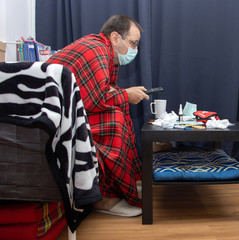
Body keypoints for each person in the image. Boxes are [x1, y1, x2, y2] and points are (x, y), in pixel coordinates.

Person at [47, 15, 149, 217]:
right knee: (115, 121)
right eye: (133, 43)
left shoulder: (103, 51)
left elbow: (101, 92)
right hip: (55, 116)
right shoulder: (96, 50)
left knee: (119, 112)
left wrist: (124, 94)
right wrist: (126, 94)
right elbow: (96, 98)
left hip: (66, 111)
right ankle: (103, 198)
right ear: (114, 37)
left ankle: (123, 185)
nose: (135, 50)